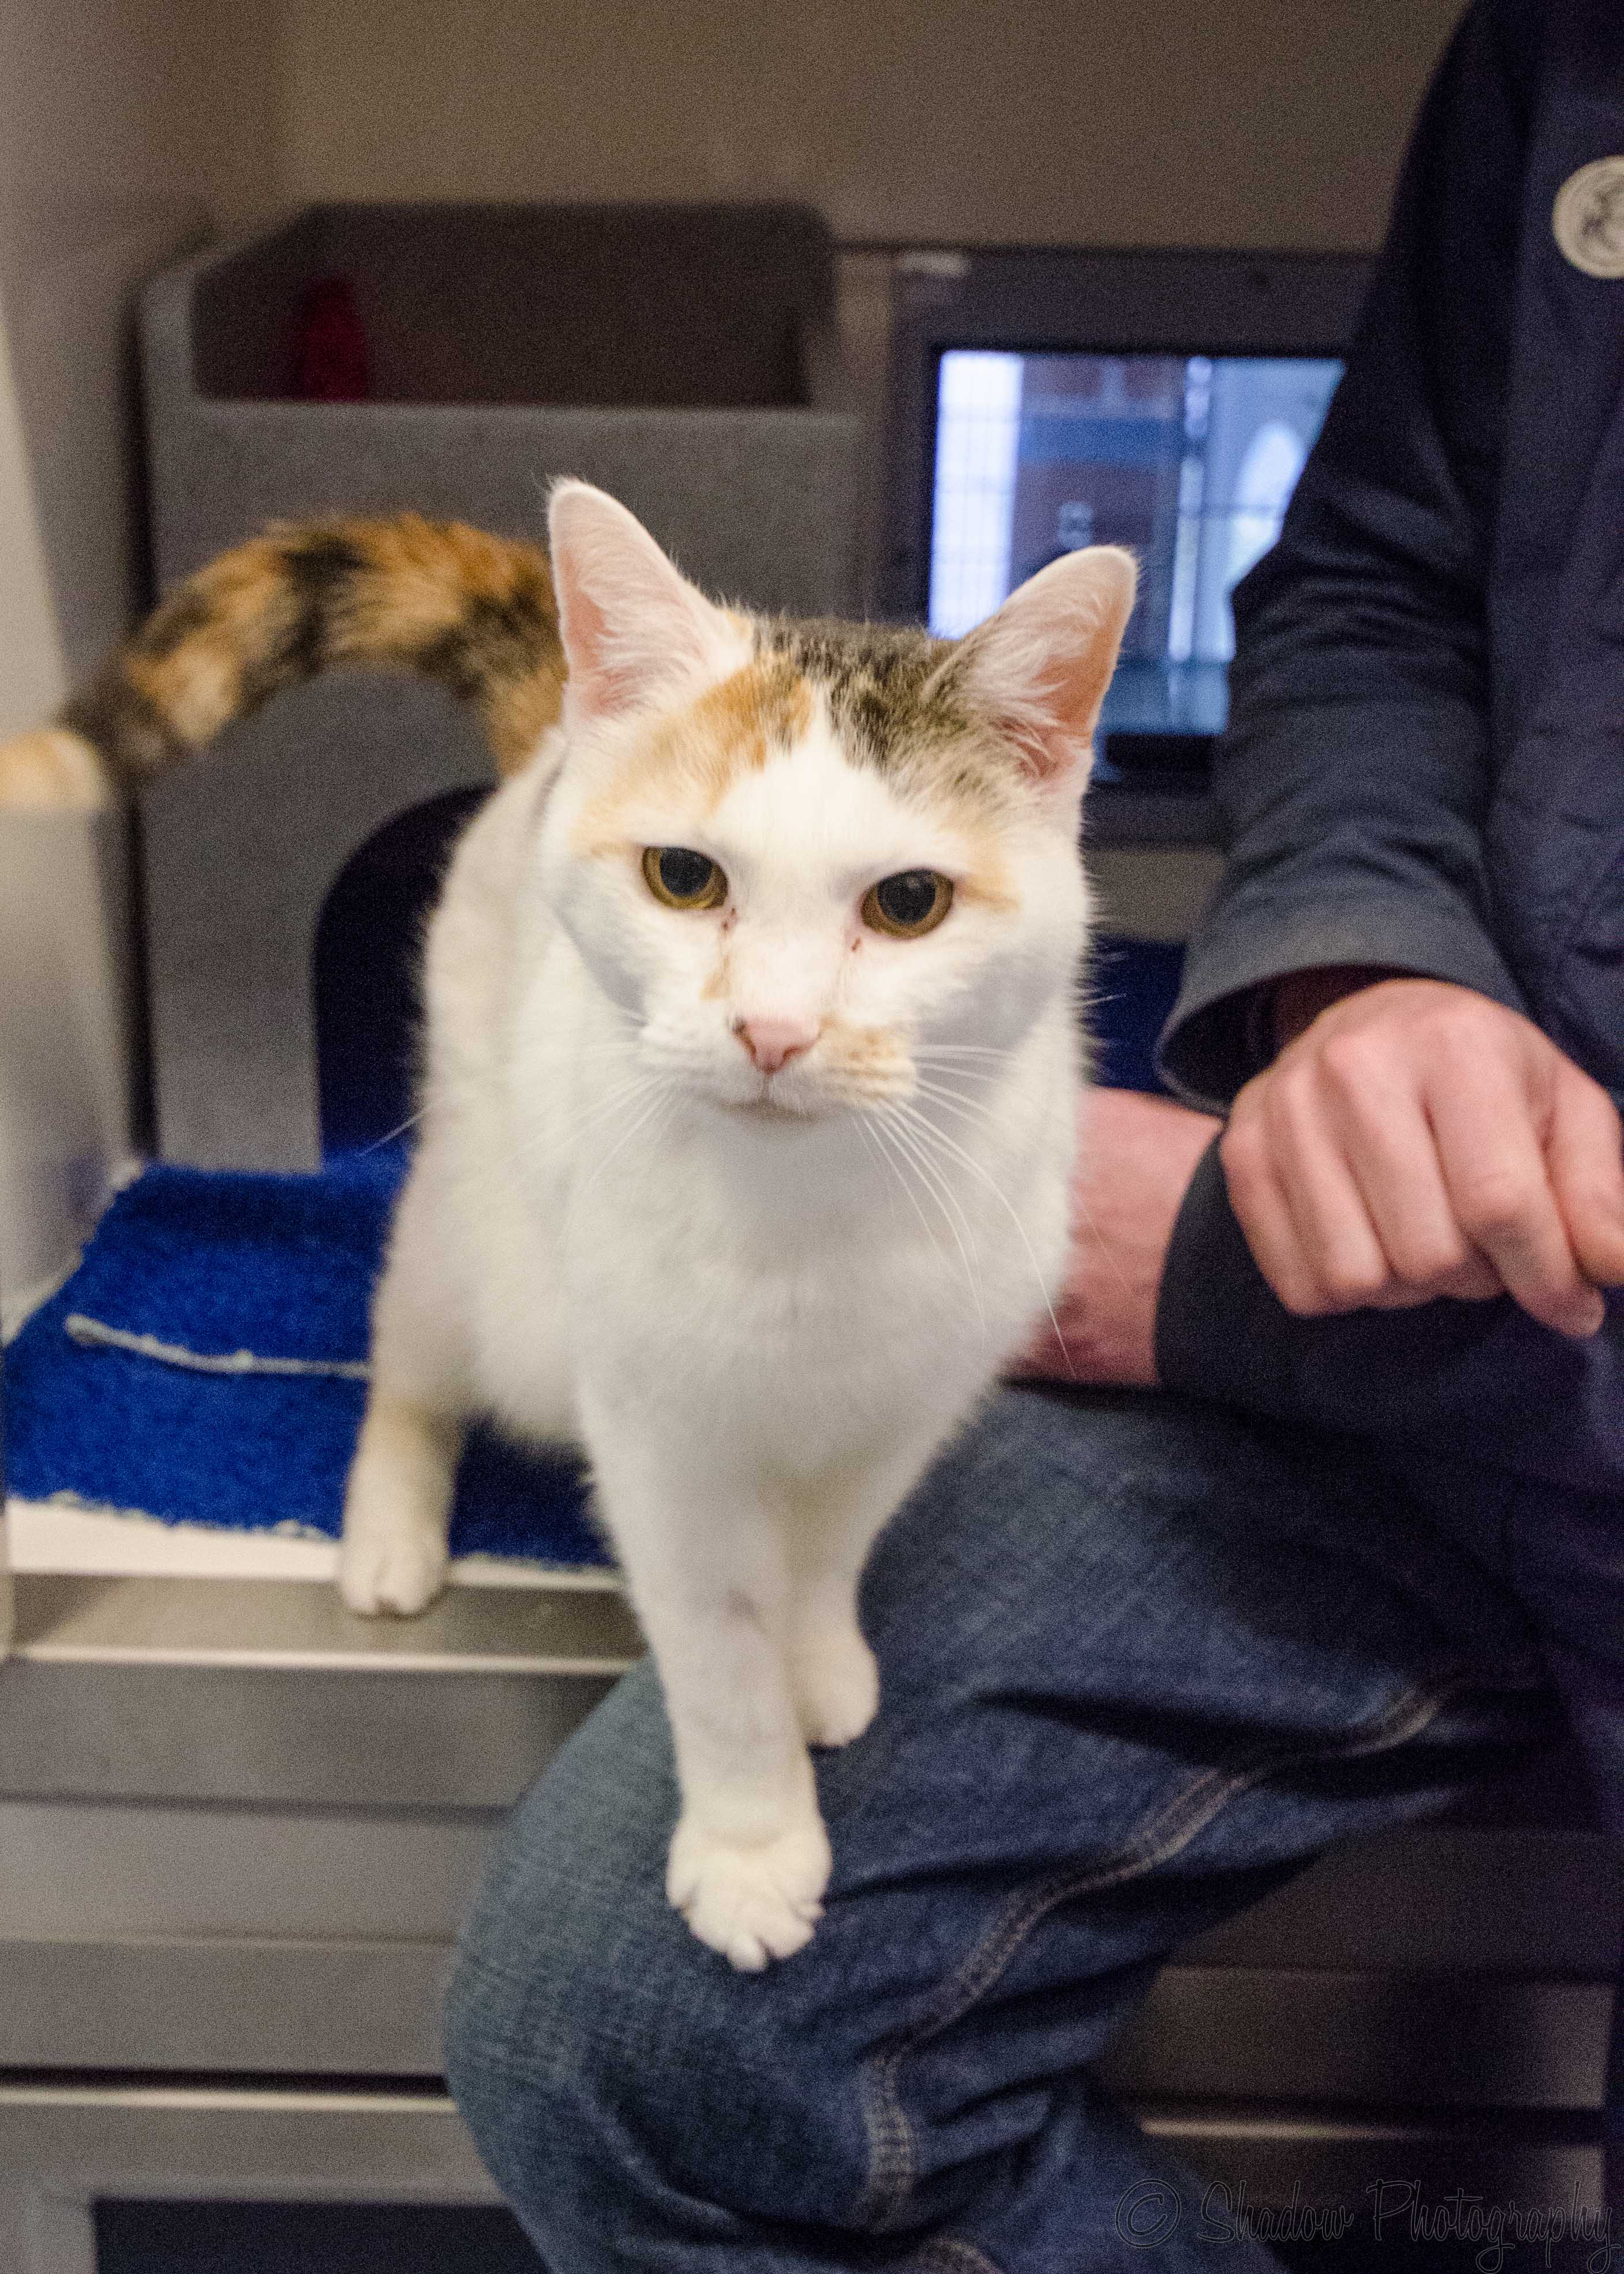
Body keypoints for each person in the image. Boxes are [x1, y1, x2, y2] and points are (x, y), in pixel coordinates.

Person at [443, 1, 1624, 2261]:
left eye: (897, 905)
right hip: (1344, 1377)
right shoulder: (1563, 50)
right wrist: (1366, 958)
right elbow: (1379, 571)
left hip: (1450, 1352)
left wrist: (1230, 1281)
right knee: (635, 2028)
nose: (776, 1007)